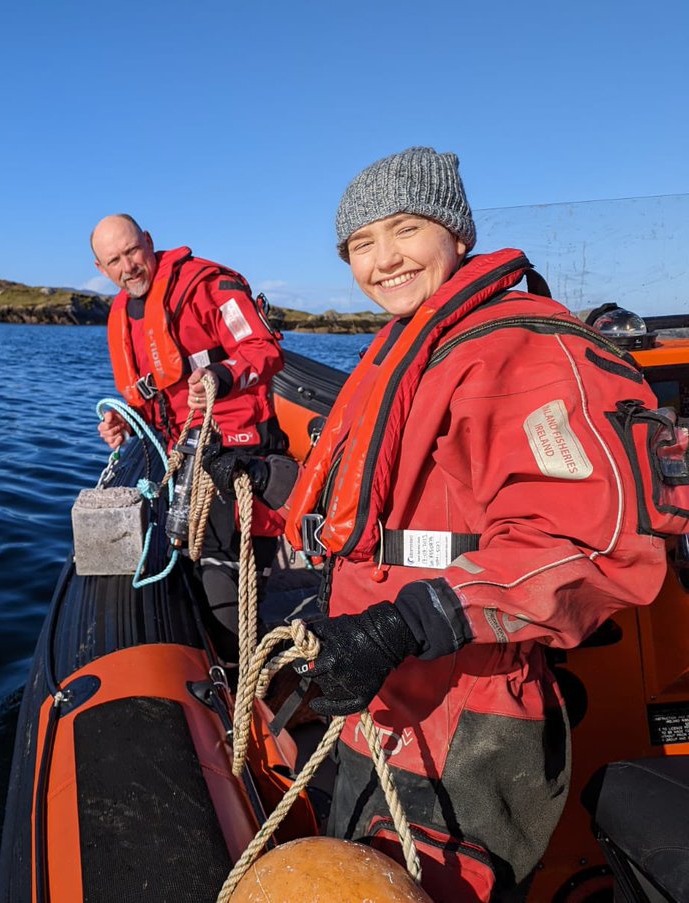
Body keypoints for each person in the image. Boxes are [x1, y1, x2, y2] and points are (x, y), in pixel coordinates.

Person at [204, 148, 668, 902]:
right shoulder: (411, 346)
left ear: (456, 234)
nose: (382, 259)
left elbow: (593, 543)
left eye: (405, 228)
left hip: (466, 718)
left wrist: (416, 619)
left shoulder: (523, 352)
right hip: (379, 693)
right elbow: (378, 515)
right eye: (360, 244)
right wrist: (263, 486)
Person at [90, 214, 288, 659]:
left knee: (226, 571)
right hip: (181, 451)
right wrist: (125, 421)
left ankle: (256, 675)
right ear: (103, 271)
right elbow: (151, 392)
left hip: (237, 445)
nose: (129, 267)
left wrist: (221, 374)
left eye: (133, 251)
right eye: (115, 261)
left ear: (150, 242)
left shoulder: (207, 286)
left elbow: (265, 350)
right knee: (192, 560)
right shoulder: (122, 314)